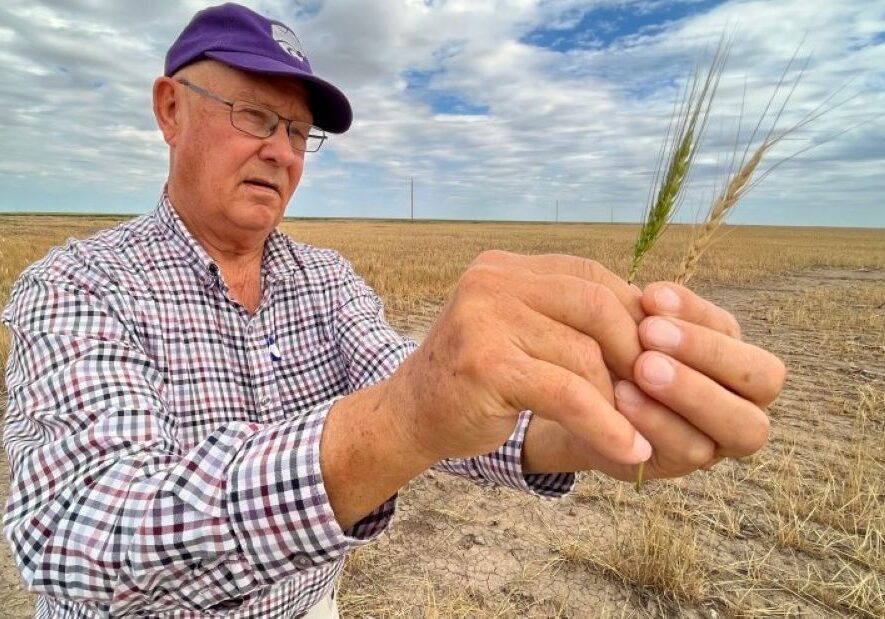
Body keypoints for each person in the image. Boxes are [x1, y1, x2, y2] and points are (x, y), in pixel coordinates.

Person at [1, 3, 785, 617]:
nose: (280, 149)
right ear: (170, 109)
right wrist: (399, 419)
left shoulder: (326, 281)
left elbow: (435, 397)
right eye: (254, 116)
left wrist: (580, 424)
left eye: (299, 132)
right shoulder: (75, 284)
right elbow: (76, 529)